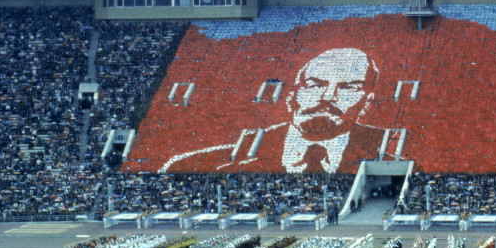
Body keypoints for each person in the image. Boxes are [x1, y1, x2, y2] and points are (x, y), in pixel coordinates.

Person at [162, 47, 385, 174]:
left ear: (366, 103)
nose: (327, 97)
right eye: (315, 84)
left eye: (349, 88)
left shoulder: (392, 161)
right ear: (291, 96)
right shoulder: (189, 165)